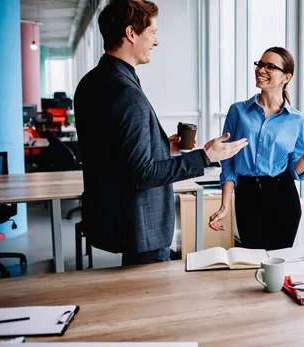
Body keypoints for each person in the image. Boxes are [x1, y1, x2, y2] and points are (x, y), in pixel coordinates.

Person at [74, 0, 247, 266]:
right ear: (131, 33)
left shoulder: (91, 82)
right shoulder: (126, 94)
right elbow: (140, 174)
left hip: (112, 216)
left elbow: (111, 152)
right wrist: (204, 156)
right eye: (153, 32)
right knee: (147, 300)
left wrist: (163, 147)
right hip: (139, 224)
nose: (156, 41)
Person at [208, 47, 304, 251]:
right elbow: (227, 163)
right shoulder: (238, 111)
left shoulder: (296, 120)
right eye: (260, 64)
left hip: (283, 197)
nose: (261, 70)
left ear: (286, 77)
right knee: (253, 262)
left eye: (270, 66)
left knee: (279, 265)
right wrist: (225, 204)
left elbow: (294, 171)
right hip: (247, 197)